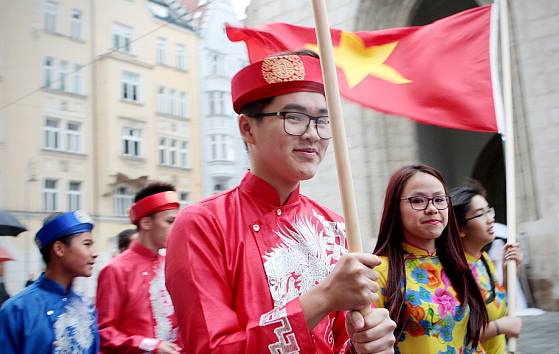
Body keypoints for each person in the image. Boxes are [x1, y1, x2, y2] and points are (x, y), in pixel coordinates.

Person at [165, 50, 396, 354]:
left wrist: (363, 344)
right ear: (248, 128)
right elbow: (211, 348)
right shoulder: (202, 224)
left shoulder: (333, 226)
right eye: (295, 118)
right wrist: (323, 298)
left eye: (322, 120)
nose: (313, 134)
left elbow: (338, 342)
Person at [372, 164, 488, 354]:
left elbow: (469, 342)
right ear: (395, 208)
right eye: (418, 201)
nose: (432, 208)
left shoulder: (458, 266)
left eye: (439, 200)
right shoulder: (378, 273)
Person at [96, 182, 183, 353]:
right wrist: (151, 346)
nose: (176, 228)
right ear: (146, 223)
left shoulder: (171, 263)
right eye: (170, 221)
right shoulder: (115, 270)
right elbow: (104, 332)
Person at [0, 211, 99, 353]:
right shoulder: (17, 310)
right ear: (59, 249)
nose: (94, 253)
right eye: (87, 244)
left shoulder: (86, 307)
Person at [451, 183, 522, 354]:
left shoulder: (483, 259)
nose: (490, 218)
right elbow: (456, 334)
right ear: (460, 229)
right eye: (480, 214)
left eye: (489, 210)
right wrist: (500, 326)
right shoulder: (455, 271)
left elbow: (501, 306)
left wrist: (508, 271)